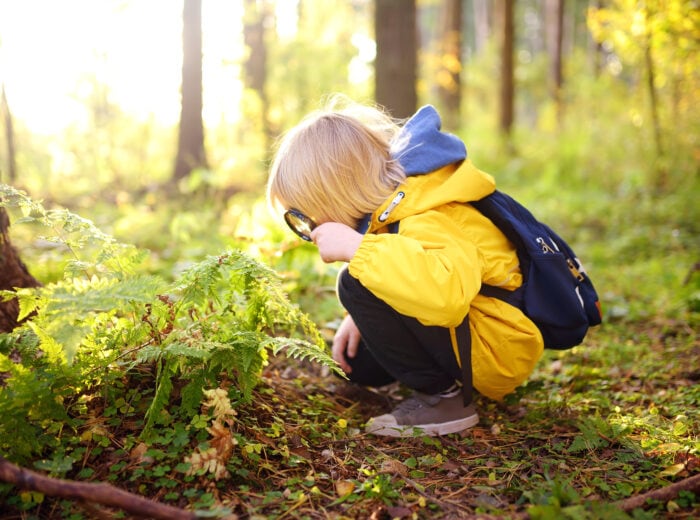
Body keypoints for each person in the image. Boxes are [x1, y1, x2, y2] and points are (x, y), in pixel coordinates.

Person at [266, 96, 544, 437]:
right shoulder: (393, 209)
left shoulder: (427, 211)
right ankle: (429, 380)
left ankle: (444, 401)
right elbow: (409, 266)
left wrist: (358, 250)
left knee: (352, 282)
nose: (307, 227)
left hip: (495, 346)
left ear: (336, 194)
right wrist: (361, 316)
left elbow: (446, 296)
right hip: (474, 332)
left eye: (304, 215)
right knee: (360, 364)